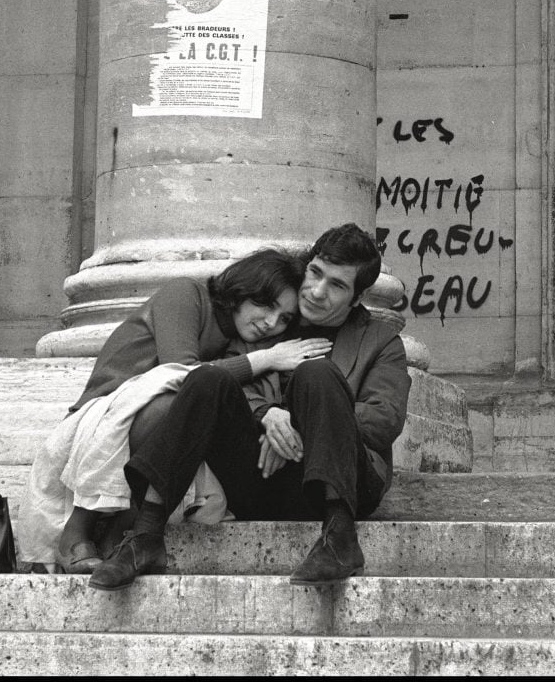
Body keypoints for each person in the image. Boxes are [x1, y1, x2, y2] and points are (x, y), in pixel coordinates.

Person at [88, 223, 412, 591]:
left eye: (337, 285)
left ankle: (339, 539)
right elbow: (236, 385)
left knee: (317, 374)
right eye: (316, 273)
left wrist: (301, 424)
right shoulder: (271, 324)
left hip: (342, 483)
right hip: (260, 476)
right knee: (207, 379)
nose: (318, 292)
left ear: (356, 298)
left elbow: (384, 419)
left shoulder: (382, 342)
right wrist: (266, 416)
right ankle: (146, 535)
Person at [21, 248, 332, 573]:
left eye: (284, 318)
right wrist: (265, 359)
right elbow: (179, 371)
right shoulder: (185, 293)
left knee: (189, 415)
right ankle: (78, 530)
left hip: (163, 423)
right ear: (242, 290)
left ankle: (125, 528)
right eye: (267, 305)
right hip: (108, 407)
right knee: (174, 404)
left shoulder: (243, 341)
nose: (271, 323)